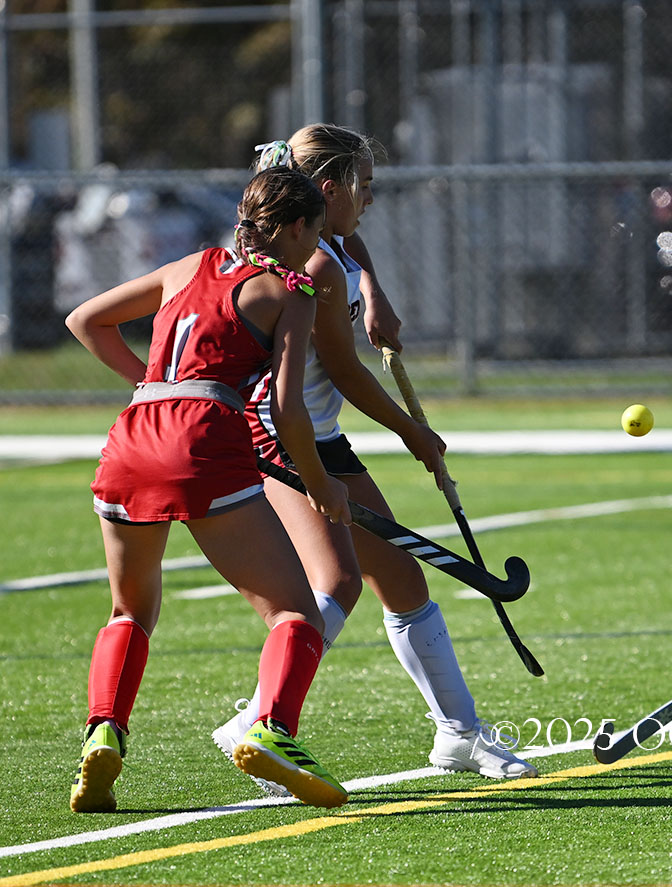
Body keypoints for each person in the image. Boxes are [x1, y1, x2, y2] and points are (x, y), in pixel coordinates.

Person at [211, 125, 538, 791]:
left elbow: (350, 246)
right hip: (280, 439)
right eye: (364, 188)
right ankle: (259, 719)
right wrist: (413, 433)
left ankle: (458, 732)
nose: (371, 201)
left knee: (405, 582)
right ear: (327, 191)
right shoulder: (313, 265)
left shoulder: (325, 241)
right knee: (336, 583)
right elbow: (347, 373)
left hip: (317, 433)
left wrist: (375, 289)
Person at [64, 167, 352, 812]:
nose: (316, 247)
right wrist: (320, 483)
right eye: (316, 234)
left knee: (128, 611)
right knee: (295, 613)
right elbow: (288, 411)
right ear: (298, 227)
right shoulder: (291, 292)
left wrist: (153, 386)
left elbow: (85, 319)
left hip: (132, 435)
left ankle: (103, 733)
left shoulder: (190, 265)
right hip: (201, 442)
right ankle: (272, 730)